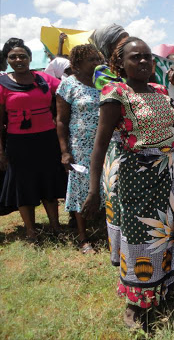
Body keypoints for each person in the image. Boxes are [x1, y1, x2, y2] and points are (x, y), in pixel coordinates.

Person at [81, 37, 174, 327]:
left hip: (167, 173)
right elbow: (100, 144)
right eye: (136, 57)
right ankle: (135, 304)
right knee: (139, 238)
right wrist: (93, 189)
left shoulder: (158, 89)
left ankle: (165, 284)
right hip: (136, 176)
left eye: (147, 57)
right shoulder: (116, 93)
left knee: (165, 232)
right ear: (120, 64)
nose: (143, 62)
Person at [0, 38, 67, 241]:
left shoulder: (43, 79)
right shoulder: (2, 84)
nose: (19, 59)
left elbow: (66, 90)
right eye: (13, 57)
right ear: (7, 60)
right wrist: (0, 151)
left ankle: (56, 227)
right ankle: (31, 231)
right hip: (18, 143)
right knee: (23, 185)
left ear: (30, 58)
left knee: (49, 182)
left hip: (47, 140)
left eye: (23, 56)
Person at [56, 44, 104, 253]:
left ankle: (108, 231)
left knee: (107, 185)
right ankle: (83, 238)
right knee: (80, 188)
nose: (96, 63)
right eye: (91, 60)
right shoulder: (68, 85)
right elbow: (61, 121)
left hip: (109, 144)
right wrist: (65, 151)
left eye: (97, 59)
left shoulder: (105, 83)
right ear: (76, 63)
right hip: (81, 146)